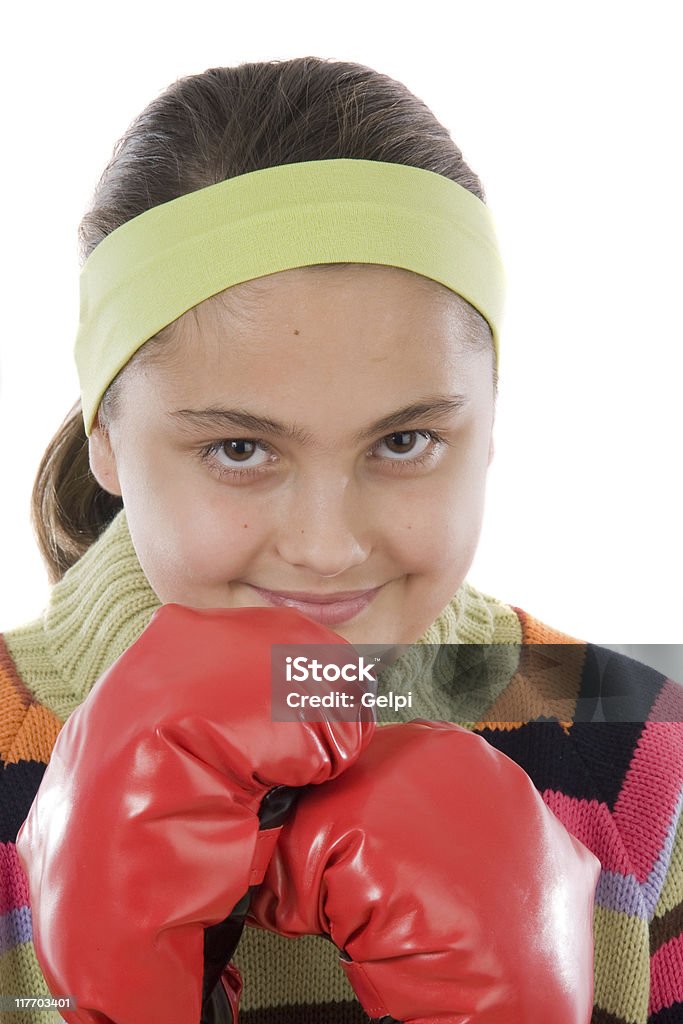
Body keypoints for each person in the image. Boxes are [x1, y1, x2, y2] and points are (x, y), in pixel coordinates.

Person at [1, 56, 681, 1024]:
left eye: (403, 441)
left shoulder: (641, 744)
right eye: (238, 448)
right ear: (105, 436)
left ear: (488, 426)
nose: (325, 548)